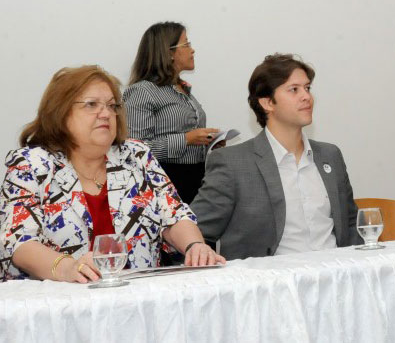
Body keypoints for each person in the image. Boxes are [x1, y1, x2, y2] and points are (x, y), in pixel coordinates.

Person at [0, 65, 224, 282]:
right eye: (91, 105)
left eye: (111, 105)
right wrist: (67, 268)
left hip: (134, 299)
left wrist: (195, 246)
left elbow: (175, 216)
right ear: (61, 113)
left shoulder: (136, 155)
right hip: (59, 304)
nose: (105, 113)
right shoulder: (31, 165)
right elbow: (19, 241)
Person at [190, 54, 362, 259]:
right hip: (272, 284)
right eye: (294, 89)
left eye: (307, 88)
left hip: (335, 277)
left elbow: (351, 225)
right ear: (267, 103)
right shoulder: (233, 163)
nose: (306, 96)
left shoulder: (330, 155)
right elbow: (194, 230)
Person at [124, 22, 220, 204]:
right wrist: (186, 139)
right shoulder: (142, 91)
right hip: (162, 183)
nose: (193, 50)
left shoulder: (185, 91)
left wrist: (209, 144)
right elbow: (133, 150)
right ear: (168, 53)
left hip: (196, 180)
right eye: (186, 44)